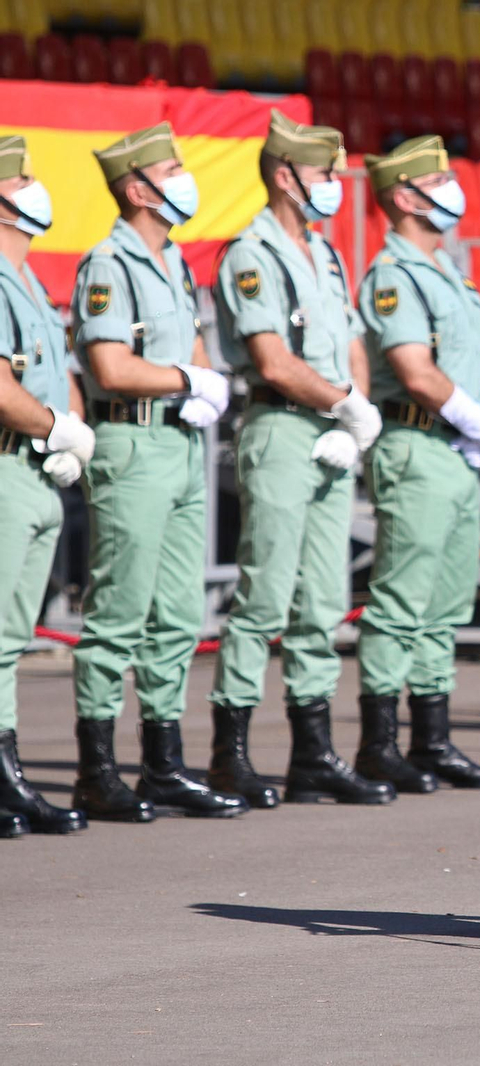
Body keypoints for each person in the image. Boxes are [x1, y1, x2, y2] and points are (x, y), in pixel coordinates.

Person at [207, 110, 393, 807]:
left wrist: (356, 414)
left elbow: (349, 343)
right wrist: (348, 404)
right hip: (283, 428)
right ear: (285, 176)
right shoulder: (250, 254)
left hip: (331, 431)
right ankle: (232, 753)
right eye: (322, 174)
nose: (334, 186)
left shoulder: (326, 251)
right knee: (263, 596)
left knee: (322, 600)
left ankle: (313, 752)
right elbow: (274, 362)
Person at [70, 123, 245, 821]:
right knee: (118, 614)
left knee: (176, 614)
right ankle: (95, 767)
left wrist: (200, 380)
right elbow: (110, 366)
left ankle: (163, 763)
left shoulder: (171, 259)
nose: (183, 177)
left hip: (176, 443)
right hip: (133, 442)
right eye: (170, 168)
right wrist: (187, 378)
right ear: (138, 186)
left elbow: (192, 346)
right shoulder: (109, 264)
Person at [355, 135, 480, 794]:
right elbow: (415, 372)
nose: (452, 188)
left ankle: (432, 737)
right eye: (438, 180)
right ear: (404, 196)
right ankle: (379, 742)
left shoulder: (450, 269)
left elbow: (476, 357)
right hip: (418, 443)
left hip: (452, 450)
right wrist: (476, 417)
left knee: (445, 600)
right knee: (400, 599)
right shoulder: (394, 274)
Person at [0, 135, 94, 837]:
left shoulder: (28, 278)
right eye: (23, 178)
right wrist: (56, 426)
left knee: (9, 637)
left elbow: (53, 369)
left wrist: (66, 427)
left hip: (32, 468)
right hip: (7, 461)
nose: (36, 185)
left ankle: (8, 776)